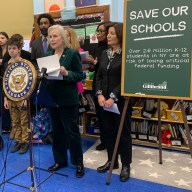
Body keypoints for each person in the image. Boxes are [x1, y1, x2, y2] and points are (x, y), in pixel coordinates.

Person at [95, 22, 132, 182]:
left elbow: (127, 79)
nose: (108, 36)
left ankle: (126, 165)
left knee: (122, 133)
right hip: (104, 101)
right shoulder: (104, 53)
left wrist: (112, 97)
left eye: (111, 33)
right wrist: (99, 95)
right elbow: (99, 77)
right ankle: (112, 161)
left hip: (121, 101)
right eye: (107, 33)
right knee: (108, 131)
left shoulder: (127, 55)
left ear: (120, 35)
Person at [46, 25, 84, 178]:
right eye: (50, 37)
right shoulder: (48, 55)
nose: (52, 39)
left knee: (72, 132)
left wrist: (66, 72)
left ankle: (78, 162)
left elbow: (79, 75)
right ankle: (60, 161)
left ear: (63, 38)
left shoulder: (72, 54)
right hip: (52, 99)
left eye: (55, 36)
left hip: (68, 100)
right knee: (57, 132)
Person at [84, 22, 112, 151]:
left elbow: (108, 66)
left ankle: (111, 141)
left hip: (109, 85)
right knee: (100, 114)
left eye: (102, 31)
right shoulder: (97, 47)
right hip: (97, 83)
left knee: (109, 116)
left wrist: (95, 62)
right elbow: (95, 68)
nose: (98, 34)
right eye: (97, 31)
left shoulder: (112, 48)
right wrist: (90, 63)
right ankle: (104, 140)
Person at [2, 34, 31, 139]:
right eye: (9, 48)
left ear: (19, 49)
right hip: (10, 97)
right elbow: (5, 82)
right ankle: (18, 140)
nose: (11, 51)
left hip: (22, 97)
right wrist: (5, 98)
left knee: (24, 121)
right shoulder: (7, 64)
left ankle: (25, 141)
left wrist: (26, 98)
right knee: (15, 121)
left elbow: (29, 82)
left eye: (14, 48)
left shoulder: (25, 63)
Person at [0, 32, 11, 133]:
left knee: (6, 101)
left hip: (7, 78)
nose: (0, 40)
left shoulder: (11, 50)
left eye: (2, 38)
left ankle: (6, 126)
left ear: (7, 39)